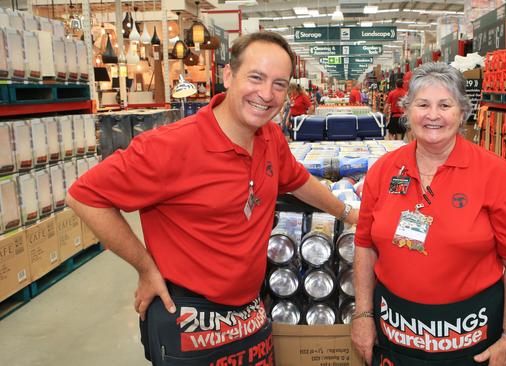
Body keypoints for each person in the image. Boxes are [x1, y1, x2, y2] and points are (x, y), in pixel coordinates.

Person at [66, 31, 358, 366]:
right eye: (256, 77)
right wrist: (145, 268)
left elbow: (297, 180)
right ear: (229, 76)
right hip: (190, 318)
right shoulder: (170, 146)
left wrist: (349, 213)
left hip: (250, 313)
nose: (267, 94)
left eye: (279, 84)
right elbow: (84, 196)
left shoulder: (270, 137)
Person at [351, 62, 506, 366]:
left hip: (469, 336)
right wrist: (363, 315)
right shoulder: (384, 171)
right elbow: (365, 245)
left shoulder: (497, 175)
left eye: (444, 105)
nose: (432, 115)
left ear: (462, 113)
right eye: (422, 104)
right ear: (407, 111)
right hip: (395, 332)